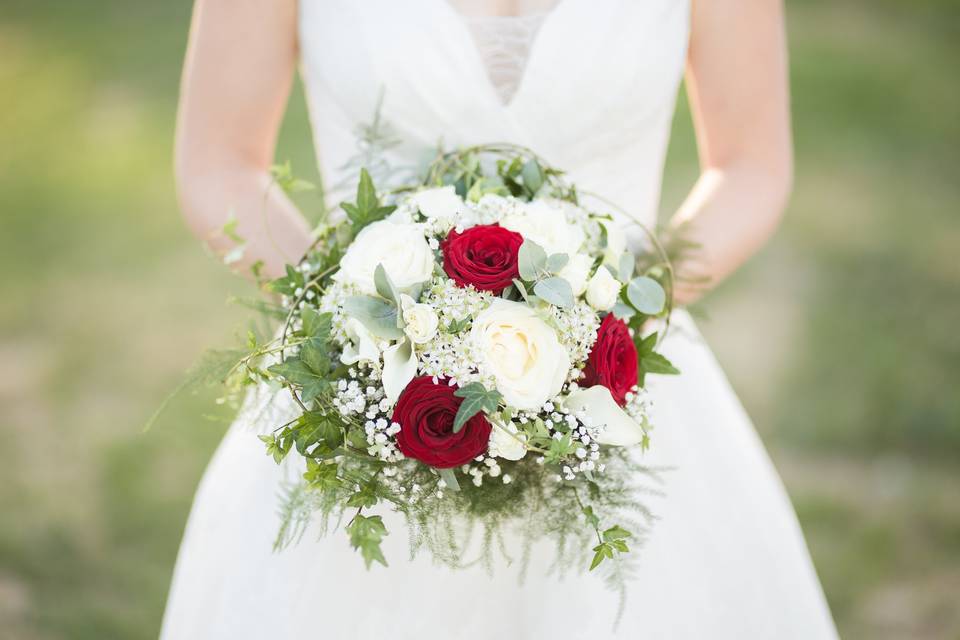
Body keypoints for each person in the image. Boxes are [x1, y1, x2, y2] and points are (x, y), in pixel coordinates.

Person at [163, 1, 839, 637]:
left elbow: (750, 165)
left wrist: (612, 317)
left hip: (620, 382)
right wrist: (355, 330)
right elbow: (220, 163)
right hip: (365, 401)